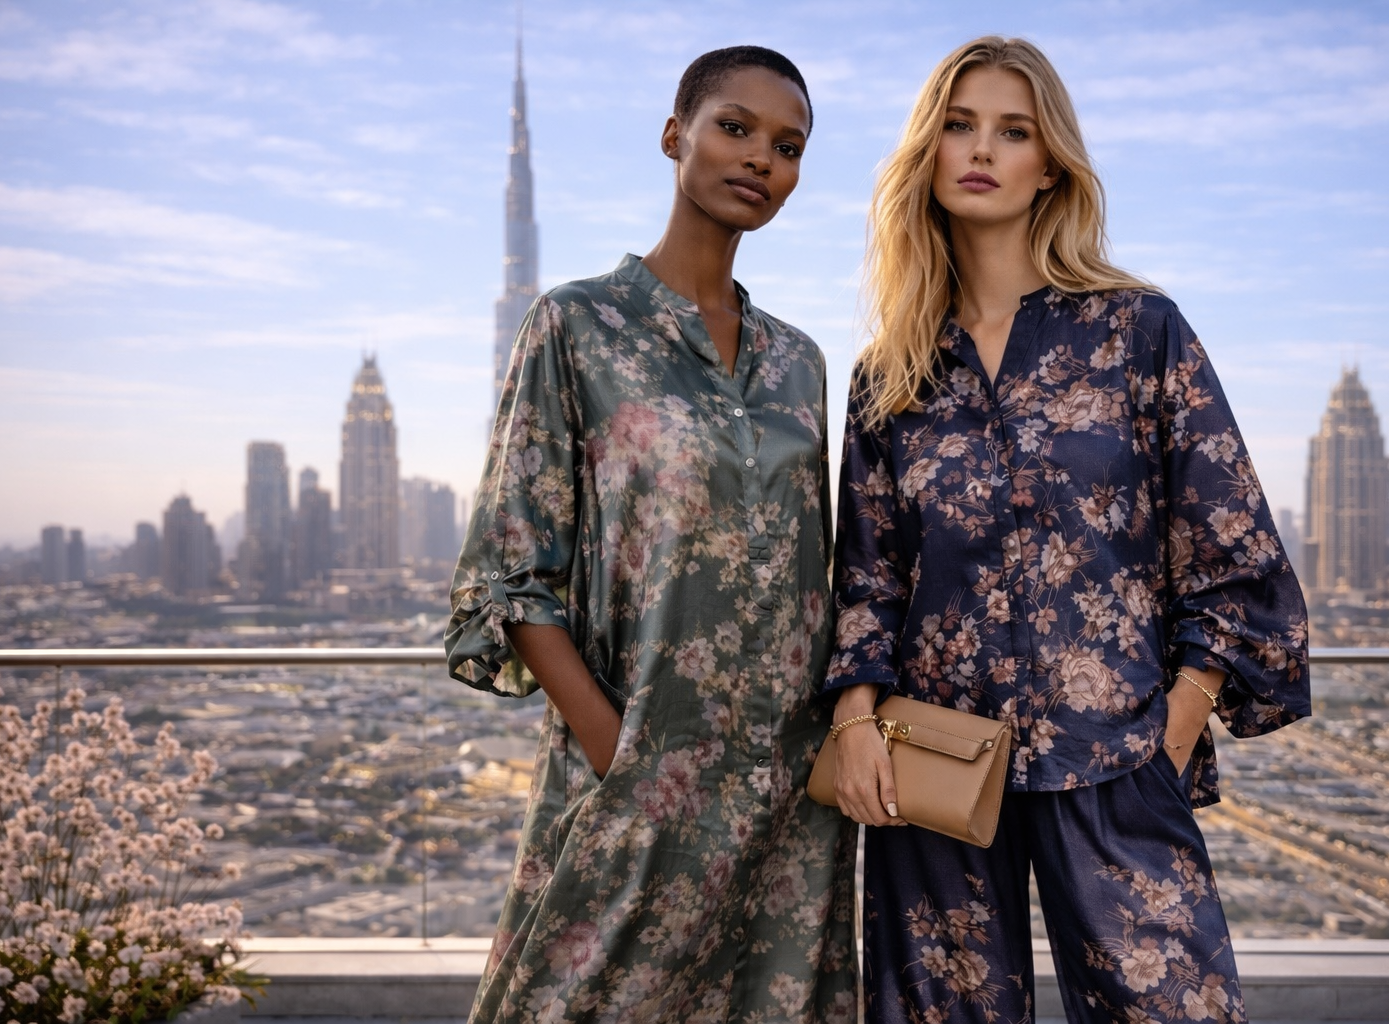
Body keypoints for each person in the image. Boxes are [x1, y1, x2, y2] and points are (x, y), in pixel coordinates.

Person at [823, 36, 1310, 1024]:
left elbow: (1229, 540)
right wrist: (852, 721)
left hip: (1119, 751)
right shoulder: (891, 373)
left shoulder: (1138, 329)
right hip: (936, 760)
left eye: (1014, 130)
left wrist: (1176, 723)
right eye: (959, 126)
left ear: (1051, 165)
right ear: (926, 151)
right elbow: (868, 577)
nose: (983, 149)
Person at [444, 45, 857, 1024]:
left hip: (789, 802)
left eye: (788, 145)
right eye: (735, 127)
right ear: (676, 136)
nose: (761, 158)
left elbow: (819, 574)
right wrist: (618, 754)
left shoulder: (801, 361)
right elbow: (510, 570)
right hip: (637, 780)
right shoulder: (575, 326)